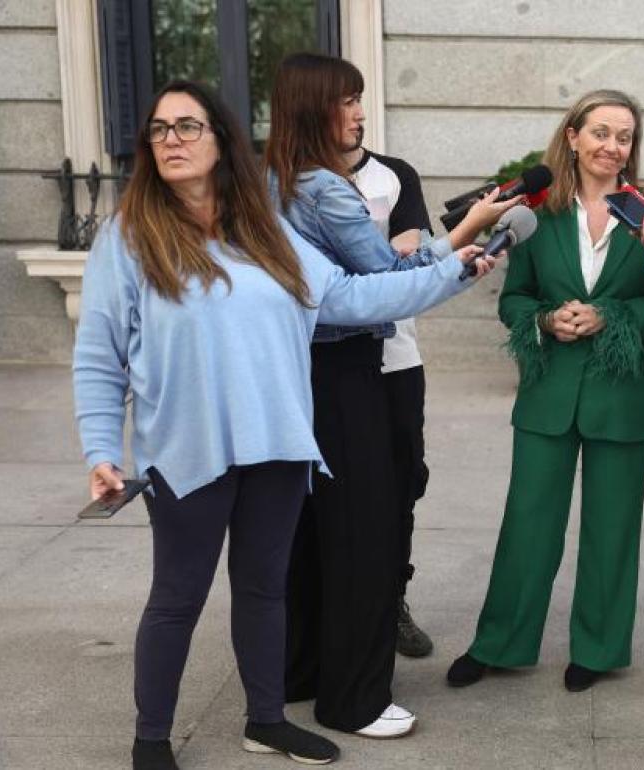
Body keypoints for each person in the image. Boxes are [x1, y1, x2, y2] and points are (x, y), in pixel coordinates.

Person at [74, 81, 496, 770]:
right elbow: (99, 356)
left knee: (266, 590)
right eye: (158, 130)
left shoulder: (265, 232)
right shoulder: (128, 238)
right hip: (188, 453)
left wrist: (455, 270)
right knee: (177, 600)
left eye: (187, 126)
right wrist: (100, 448)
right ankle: (151, 740)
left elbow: (354, 295)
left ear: (222, 140)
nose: (170, 140)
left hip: (276, 445)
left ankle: (265, 720)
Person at [264, 53, 516, 738]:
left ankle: (303, 672)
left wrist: (447, 251)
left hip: (294, 374)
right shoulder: (325, 188)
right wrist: (463, 262)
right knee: (364, 539)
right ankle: (356, 699)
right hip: (346, 374)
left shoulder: (267, 181)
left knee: (309, 536)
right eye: (347, 100)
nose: (359, 112)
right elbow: (375, 285)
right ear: (315, 107)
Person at [445, 89, 644, 693]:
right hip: (550, 391)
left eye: (624, 136)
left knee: (612, 529)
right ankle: (499, 641)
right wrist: (546, 321)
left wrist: (611, 316)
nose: (612, 146)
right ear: (572, 137)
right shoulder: (535, 214)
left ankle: (597, 650)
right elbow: (514, 299)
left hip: (622, 397)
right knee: (527, 522)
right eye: (600, 132)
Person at [345, 144, 436, 658]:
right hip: (322, 363)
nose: (354, 113)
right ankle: (326, 606)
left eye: (357, 99)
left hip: (396, 358)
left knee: (403, 482)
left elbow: (402, 263)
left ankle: (392, 599)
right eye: (342, 102)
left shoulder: (395, 175)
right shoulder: (289, 178)